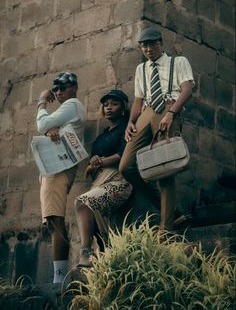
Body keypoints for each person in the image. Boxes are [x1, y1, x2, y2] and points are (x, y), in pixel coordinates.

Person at [119, 27, 194, 231]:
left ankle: (166, 228)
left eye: (152, 44)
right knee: (126, 166)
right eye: (144, 45)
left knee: (165, 167)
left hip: (169, 106)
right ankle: (173, 212)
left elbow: (187, 88)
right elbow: (138, 100)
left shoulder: (178, 62)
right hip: (147, 111)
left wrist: (172, 113)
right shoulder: (141, 69)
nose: (148, 48)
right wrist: (131, 122)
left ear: (160, 43)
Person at [36, 71, 86, 283]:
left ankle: (59, 280)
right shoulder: (68, 109)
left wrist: (41, 102)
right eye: (54, 89)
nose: (58, 92)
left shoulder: (72, 104)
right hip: (55, 168)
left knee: (56, 222)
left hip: (58, 170)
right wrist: (52, 129)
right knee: (52, 221)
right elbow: (49, 129)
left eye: (62, 88)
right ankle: (59, 277)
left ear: (74, 87)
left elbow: (41, 125)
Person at [74, 89, 132, 267]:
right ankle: (104, 259)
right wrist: (93, 162)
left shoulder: (126, 128)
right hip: (99, 182)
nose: (109, 108)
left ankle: (85, 252)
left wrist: (100, 162)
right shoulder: (102, 136)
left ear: (123, 108)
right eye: (106, 105)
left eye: (114, 104)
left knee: (82, 202)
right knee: (102, 231)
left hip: (118, 181)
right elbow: (94, 160)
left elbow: (125, 154)